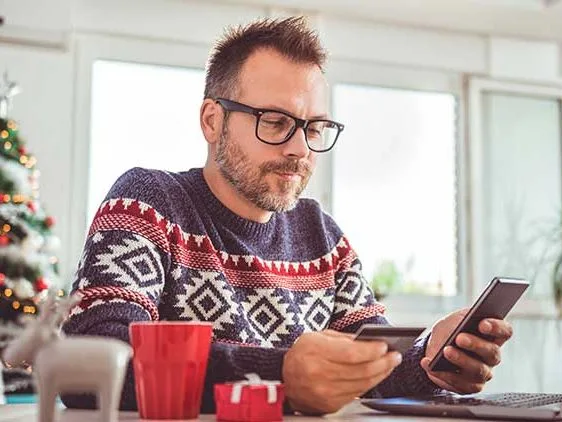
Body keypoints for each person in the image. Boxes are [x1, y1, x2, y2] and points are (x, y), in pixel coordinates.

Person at [61, 16, 513, 415]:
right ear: (212, 121)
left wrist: (429, 360)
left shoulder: (322, 236)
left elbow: (369, 364)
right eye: (275, 122)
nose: (300, 149)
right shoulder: (147, 202)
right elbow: (89, 363)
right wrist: (281, 378)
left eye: (314, 128)